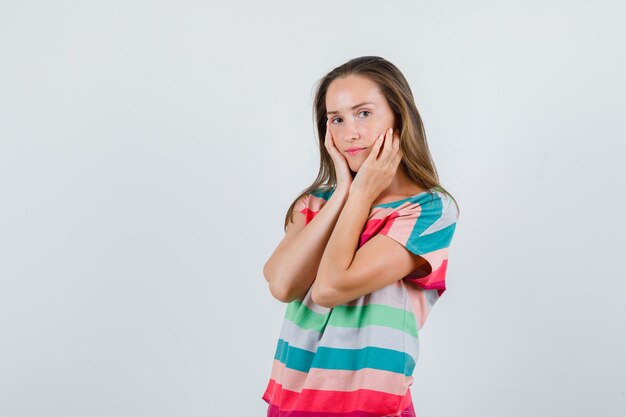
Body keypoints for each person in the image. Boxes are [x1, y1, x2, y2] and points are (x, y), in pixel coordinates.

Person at [261, 56, 461, 417]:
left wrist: (363, 194)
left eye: (364, 113)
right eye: (336, 119)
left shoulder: (426, 210)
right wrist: (343, 194)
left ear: (399, 117)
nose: (349, 132)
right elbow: (282, 284)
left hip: (367, 405)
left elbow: (330, 287)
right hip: (293, 400)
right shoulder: (314, 204)